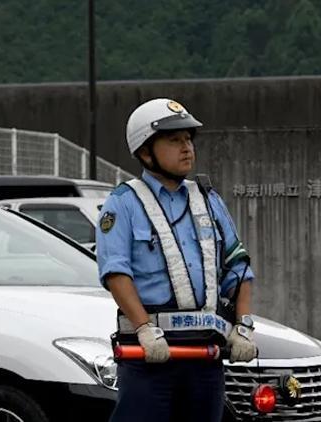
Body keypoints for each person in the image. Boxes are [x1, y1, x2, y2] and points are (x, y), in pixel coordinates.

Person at [96, 98, 258, 422]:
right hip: (149, 358)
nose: (186, 148)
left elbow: (238, 266)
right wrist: (144, 329)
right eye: (174, 140)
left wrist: (243, 325)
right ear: (145, 152)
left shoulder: (209, 200)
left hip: (205, 359)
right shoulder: (122, 203)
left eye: (188, 139)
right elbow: (116, 273)